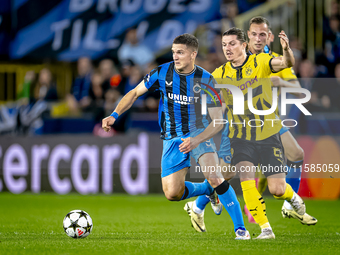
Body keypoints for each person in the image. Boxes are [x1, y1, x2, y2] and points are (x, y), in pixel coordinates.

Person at [102, 33, 250, 240]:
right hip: (172, 138)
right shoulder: (162, 72)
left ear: (193, 54)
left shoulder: (207, 79)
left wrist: (197, 140)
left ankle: (240, 229)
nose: (175, 56)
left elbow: (218, 120)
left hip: (198, 134)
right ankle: (207, 191)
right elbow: (135, 92)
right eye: (173, 52)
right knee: (173, 193)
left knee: (215, 176)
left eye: (180, 52)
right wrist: (114, 114)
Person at [212, 27, 306, 239]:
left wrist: (287, 50)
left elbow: (287, 63)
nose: (227, 48)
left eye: (232, 44)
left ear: (244, 45)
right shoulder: (219, 74)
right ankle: (266, 229)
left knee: (277, 189)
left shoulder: (261, 62)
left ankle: (293, 198)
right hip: (240, 136)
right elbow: (202, 89)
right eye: (224, 45)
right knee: (246, 177)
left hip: (267, 134)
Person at [244, 16, 317, 225]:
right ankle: (200, 203)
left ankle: (287, 205)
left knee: (295, 154)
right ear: (248, 36)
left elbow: (300, 91)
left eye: (263, 35)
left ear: (270, 37)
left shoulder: (278, 60)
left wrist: (280, 83)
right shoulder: (239, 59)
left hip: (270, 120)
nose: (258, 39)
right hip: (244, 122)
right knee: (229, 171)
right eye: (254, 34)